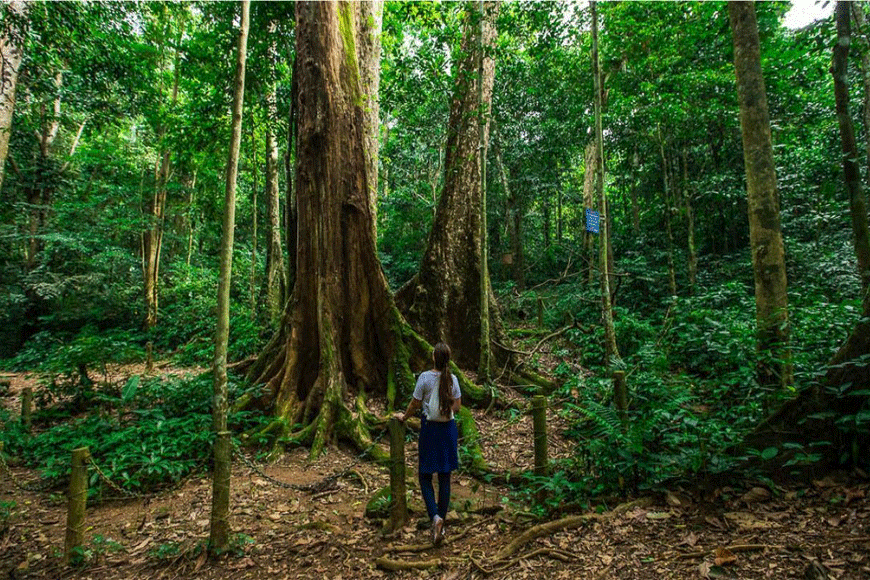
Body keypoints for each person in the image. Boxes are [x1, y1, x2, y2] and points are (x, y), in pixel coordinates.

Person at [396, 342, 461, 545]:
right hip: (448, 430)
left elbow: (415, 403)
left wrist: (404, 417)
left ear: (434, 357)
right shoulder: (453, 379)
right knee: (445, 477)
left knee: (425, 475)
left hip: (430, 430)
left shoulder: (424, 378)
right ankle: (441, 522)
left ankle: (435, 517)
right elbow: (457, 407)